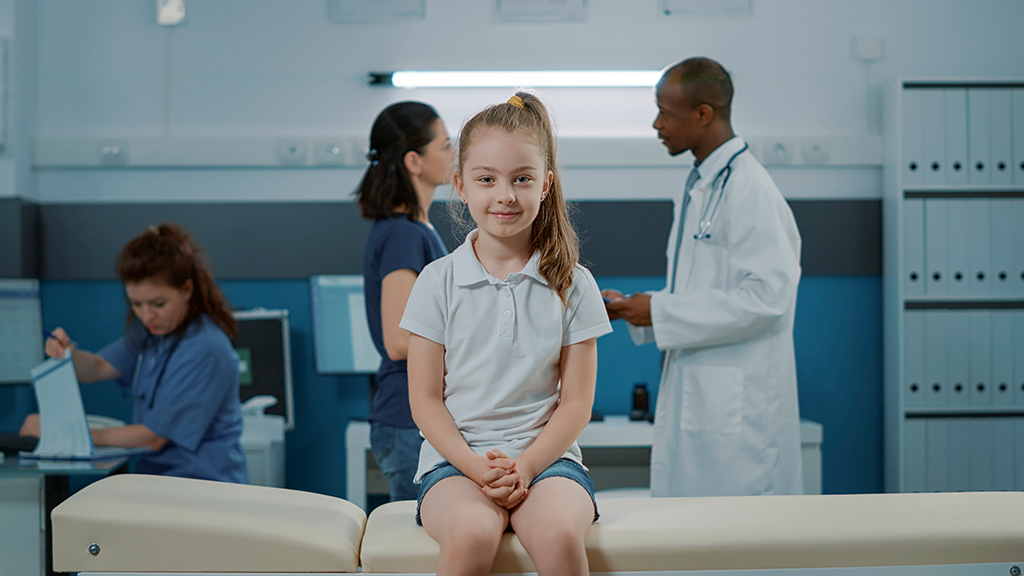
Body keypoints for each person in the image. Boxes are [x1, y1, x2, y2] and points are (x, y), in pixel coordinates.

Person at [401, 92, 612, 576]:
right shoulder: (437, 281)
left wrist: (528, 466)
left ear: (545, 184)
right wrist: (478, 469)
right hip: (454, 465)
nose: (505, 195)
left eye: (522, 179)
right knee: (472, 534)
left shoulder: (573, 282)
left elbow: (576, 403)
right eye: (486, 179)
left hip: (550, 462)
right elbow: (425, 401)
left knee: (559, 538)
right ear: (460, 185)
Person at [603, 57, 804, 497]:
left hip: (737, 416)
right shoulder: (702, 184)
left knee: (737, 551)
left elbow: (769, 297)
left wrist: (659, 310)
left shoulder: (749, 188)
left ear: (703, 114)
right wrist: (641, 307)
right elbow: (704, 293)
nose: (657, 124)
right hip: (704, 400)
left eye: (666, 113)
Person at [21, 223, 247, 484]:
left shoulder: (205, 349)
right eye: (136, 304)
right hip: (160, 483)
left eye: (158, 304)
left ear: (187, 290)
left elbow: (153, 437)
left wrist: (64, 436)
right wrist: (67, 354)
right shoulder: (152, 335)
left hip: (199, 489)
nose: (147, 316)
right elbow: (98, 367)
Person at [356, 101, 454, 502]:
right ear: (414, 161)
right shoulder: (404, 234)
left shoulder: (417, 229)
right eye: (446, 146)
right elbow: (399, 340)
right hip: (407, 419)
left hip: (412, 416)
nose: (454, 155)